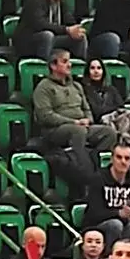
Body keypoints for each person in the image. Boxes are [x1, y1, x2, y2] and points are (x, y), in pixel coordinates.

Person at [33, 49, 115, 178]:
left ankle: (93, 161)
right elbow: (45, 116)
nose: (69, 65)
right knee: (78, 131)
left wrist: (88, 120)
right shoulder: (44, 87)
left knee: (109, 132)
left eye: (69, 61)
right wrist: (74, 122)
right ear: (53, 65)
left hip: (81, 126)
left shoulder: (76, 86)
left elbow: (86, 109)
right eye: (65, 61)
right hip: (56, 130)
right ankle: (86, 173)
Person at [81, 143, 130, 249]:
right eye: (119, 157)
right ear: (112, 159)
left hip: (127, 226)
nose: (123, 161)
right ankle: (109, 256)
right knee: (115, 224)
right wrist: (118, 213)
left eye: (127, 158)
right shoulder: (98, 179)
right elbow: (93, 213)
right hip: (99, 226)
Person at [14, 0, 87, 62]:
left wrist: (75, 30)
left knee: (80, 37)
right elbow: (40, 24)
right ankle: (43, 67)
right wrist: (66, 30)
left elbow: (69, 20)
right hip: (28, 41)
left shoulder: (61, 1)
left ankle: (79, 67)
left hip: (53, 38)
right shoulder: (36, 0)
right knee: (47, 35)